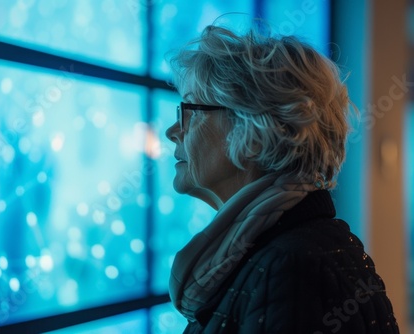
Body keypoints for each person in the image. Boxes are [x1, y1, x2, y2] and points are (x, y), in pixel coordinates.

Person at [165, 24, 399, 333]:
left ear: (256, 133)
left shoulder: (295, 270)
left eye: (190, 111)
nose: (172, 132)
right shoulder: (285, 252)